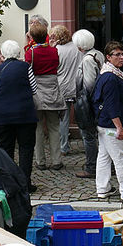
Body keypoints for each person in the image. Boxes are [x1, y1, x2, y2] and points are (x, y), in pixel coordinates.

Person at [0, 39, 38, 192]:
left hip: (3, 115)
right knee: (26, 149)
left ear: (3, 54)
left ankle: (7, 182)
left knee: (6, 150)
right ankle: (25, 183)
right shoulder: (25, 67)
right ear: (18, 53)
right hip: (25, 114)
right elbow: (34, 89)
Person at [93, 41, 123, 200]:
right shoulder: (111, 77)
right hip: (112, 125)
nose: (121, 57)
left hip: (105, 124)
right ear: (108, 57)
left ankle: (102, 189)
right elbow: (111, 105)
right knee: (121, 158)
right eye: (117, 54)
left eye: (122, 54)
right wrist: (119, 128)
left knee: (104, 156)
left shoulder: (110, 73)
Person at [25, 20, 66, 170]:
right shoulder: (54, 51)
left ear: (33, 37)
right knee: (54, 127)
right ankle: (56, 160)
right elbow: (57, 66)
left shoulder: (31, 53)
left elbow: (28, 70)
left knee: (38, 128)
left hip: (37, 91)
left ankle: (40, 161)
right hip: (52, 89)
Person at [72, 28, 104, 179]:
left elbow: (90, 85)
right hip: (96, 104)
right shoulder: (98, 54)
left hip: (89, 105)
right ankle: (101, 165)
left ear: (80, 46)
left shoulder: (87, 59)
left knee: (89, 136)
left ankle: (92, 167)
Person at [50, 25, 81, 156]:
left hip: (63, 87)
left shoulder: (56, 50)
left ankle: (63, 147)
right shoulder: (77, 47)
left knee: (64, 119)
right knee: (84, 117)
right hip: (78, 86)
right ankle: (89, 143)